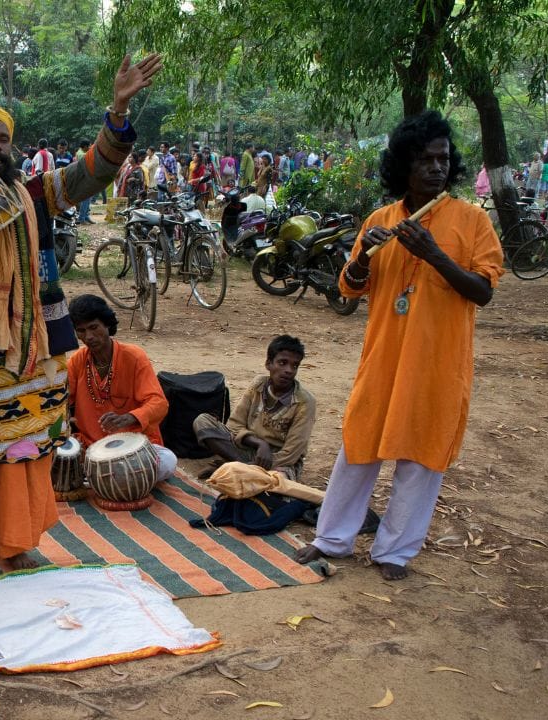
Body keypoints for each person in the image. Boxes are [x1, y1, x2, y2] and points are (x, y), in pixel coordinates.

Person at [0, 52, 161, 571]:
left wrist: (117, 109)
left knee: (27, 448)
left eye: (3, 139)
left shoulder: (35, 192)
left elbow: (93, 172)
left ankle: (18, 544)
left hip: (36, 346)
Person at [294, 110, 503, 581]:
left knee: (421, 455)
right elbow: (349, 288)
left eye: (443, 159)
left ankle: (394, 551)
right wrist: (365, 257)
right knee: (359, 445)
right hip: (384, 358)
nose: (436, 168)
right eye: (425, 159)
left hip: (437, 363)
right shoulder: (382, 219)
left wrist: (432, 253)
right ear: (402, 166)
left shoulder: (471, 221)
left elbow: (483, 291)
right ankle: (332, 539)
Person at [66, 295, 177, 478]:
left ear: (107, 324)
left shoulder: (134, 357)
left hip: (133, 447)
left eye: (94, 327)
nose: (89, 337)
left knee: (168, 460)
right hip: (91, 449)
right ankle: (105, 476)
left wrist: (130, 417)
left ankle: (102, 477)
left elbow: (159, 403)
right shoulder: (78, 361)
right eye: (81, 331)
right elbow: (62, 400)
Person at [193, 335, 316, 481]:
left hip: (277, 460)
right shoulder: (258, 385)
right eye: (282, 363)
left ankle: (235, 468)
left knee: (277, 482)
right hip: (250, 447)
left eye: (294, 365)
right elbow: (234, 425)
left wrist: (261, 462)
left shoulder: (305, 402)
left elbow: (291, 453)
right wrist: (259, 443)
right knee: (203, 421)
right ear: (268, 364)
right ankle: (240, 469)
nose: (288, 370)